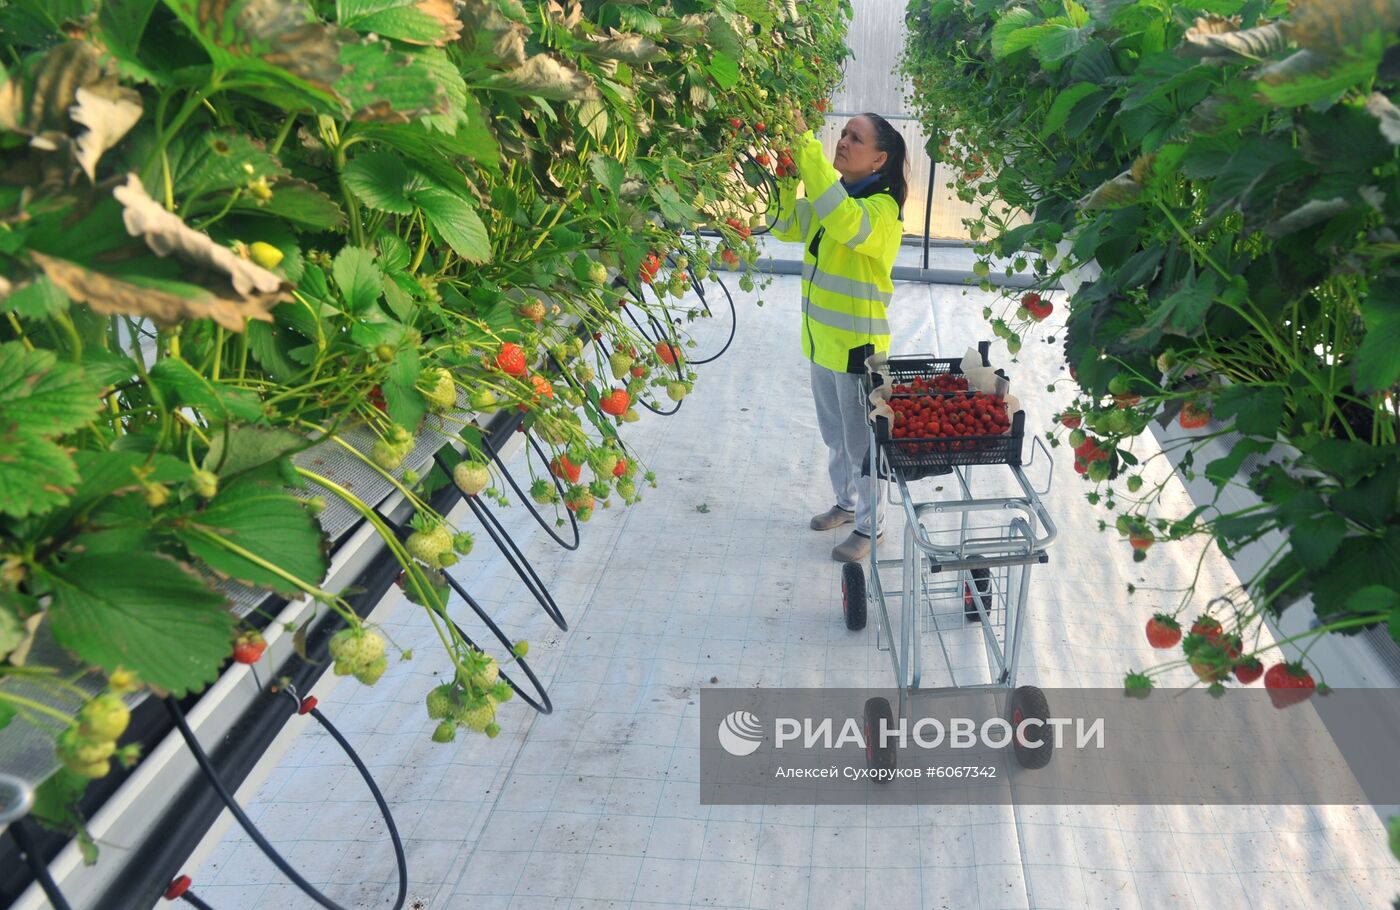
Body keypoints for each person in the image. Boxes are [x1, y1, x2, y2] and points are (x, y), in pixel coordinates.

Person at [771, 110, 908, 563]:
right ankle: (847, 506)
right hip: (822, 344)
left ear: (879, 160)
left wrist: (805, 146)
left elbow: (844, 221)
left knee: (863, 445)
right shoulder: (840, 197)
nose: (844, 141)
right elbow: (787, 225)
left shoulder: (879, 212)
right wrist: (783, 179)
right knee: (835, 437)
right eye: (844, 133)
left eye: (856, 138)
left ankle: (872, 528)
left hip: (858, 350)